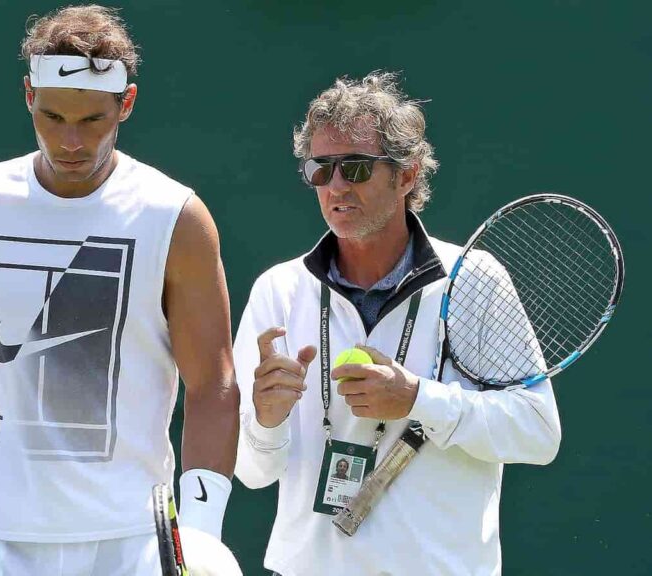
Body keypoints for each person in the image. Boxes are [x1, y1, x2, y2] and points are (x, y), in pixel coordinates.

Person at [0, 6, 239, 575]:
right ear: (28, 96)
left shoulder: (174, 216)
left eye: (92, 120)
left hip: (134, 545)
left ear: (126, 104)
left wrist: (197, 537)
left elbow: (213, 384)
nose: (70, 140)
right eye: (52, 116)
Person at [233, 71, 561, 575]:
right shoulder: (278, 289)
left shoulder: (475, 279)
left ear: (406, 175)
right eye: (321, 169)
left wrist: (418, 399)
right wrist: (266, 419)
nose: (336, 185)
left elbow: (538, 434)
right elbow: (252, 473)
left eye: (356, 168)